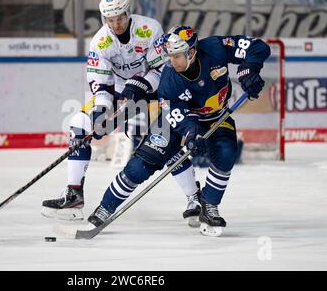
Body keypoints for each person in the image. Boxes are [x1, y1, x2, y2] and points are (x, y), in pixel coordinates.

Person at [85, 25, 271, 237]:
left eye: (177, 56)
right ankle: (105, 207)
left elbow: (257, 47)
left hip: (216, 117)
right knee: (140, 166)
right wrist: (192, 133)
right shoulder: (169, 79)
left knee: (227, 153)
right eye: (169, 55)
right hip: (176, 121)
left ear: (191, 51)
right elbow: (175, 114)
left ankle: (208, 205)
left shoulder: (215, 47)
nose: (172, 61)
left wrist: (250, 69)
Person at [41, 0, 199, 222]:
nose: (116, 24)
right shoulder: (100, 42)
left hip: (156, 90)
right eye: (110, 20)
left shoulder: (149, 29)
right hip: (120, 93)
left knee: (164, 140)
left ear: (128, 12)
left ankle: (194, 197)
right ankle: (74, 193)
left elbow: (161, 70)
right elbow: (101, 84)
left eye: (120, 18)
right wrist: (101, 112)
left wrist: (140, 85)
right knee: (79, 124)